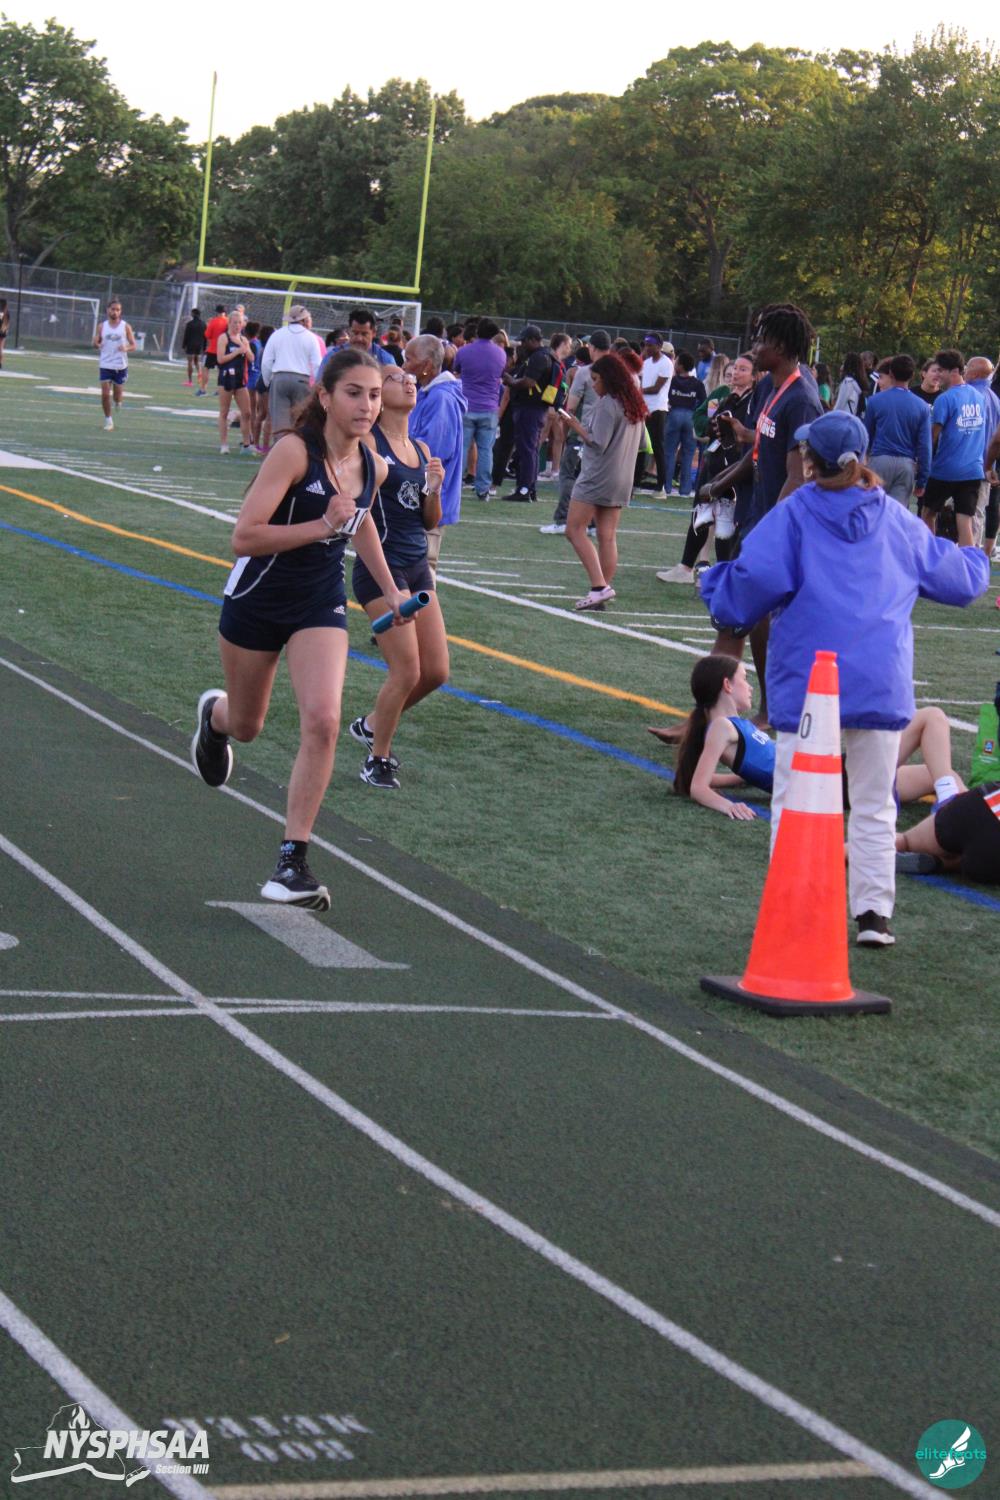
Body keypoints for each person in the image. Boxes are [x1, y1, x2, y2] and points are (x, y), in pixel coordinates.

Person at [700, 409, 989, 945]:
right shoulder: (895, 518)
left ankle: (793, 908)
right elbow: (960, 581)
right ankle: (874, 916)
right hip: (879, 679)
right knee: (877, 804)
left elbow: (746, 588)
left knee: (796, 800)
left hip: (810, 682)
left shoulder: (794, 514)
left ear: (810, 461)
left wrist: (712, 584)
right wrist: (977, 553)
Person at [189, 349, 410, 909]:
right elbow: (244, 537)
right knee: (247, 725)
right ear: (326, 396)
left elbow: (360, 523)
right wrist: (321, 526)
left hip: (319, 601)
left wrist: (391, 590)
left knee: (324, 721)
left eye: (374, 394)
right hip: (257, 598)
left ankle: (292, 862)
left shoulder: (373, 464)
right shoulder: (293, 451)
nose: (367, 405)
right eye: (354, 393)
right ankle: (215, 719)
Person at [694, 303, 824, 724]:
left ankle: (754, 711)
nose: (754, 347)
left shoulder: (802, 399)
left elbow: (797, 478)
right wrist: (721, 480)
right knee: (736, 618)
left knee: (746, 618)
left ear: (782, 346)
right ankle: (718, 712)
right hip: (760, 518)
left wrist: (768, 535)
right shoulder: (771, 387)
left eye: (762, 339)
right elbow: (760, 451)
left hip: (779, 528)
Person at [663, 654, 965, 820]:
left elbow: (709, 778)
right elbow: (699, 786)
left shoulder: (733, 726)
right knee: (932, 717)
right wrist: (728, 806)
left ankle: (962, 816)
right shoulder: (721, 727)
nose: (750, 686)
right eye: (744, 678)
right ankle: (952, 808)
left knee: (942, 775)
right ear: (727, 686)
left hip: (831, 779)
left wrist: (742, 779)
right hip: (830, 778)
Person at [349, 364, 449, 788]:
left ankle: (372, 724)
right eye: (394, 378)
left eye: (410, 378)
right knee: (406, 671)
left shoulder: (421, 449)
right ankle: (378, 758)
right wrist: (389, 585)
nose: (407, 381)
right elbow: (360, 516)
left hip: (417, 565)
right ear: (377, 394)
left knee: (436, 672)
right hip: (382, 569)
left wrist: (434, 487)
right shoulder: (369, 444)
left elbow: (429, 520)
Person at [558, 352, 647, 610]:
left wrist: (574, 424)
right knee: (607, 536)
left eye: (596, 380)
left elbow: (598, 442)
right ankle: (601, 590)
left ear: (609, 378)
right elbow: (642, 442)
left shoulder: (609, 403)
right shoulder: (635, 404)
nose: (594, 385)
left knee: (574, 529)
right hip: (622, 476)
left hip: (598, 475)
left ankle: (599, 587)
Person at [658, 353, 755, 582]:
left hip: (734, 467)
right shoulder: (725, 396)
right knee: (701, 514)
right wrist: (713, 426)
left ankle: (724, 574)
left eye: (742, 370)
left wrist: (733, 431)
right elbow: (702, 419)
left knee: (726, 523)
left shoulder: (754, 400)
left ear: (754, 376)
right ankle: (685, 567)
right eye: (734, 369)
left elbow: (748, 435)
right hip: (714, 463)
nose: (736, 374)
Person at [404, 333, 467, 575]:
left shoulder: (440, 398)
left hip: (430, 499)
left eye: (409, 359)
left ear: (427, 365)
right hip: (421, 496)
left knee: (422, 571)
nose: (404, 366)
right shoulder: (430, 394)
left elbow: (435, 451)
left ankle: (424, 602)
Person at [540, 332, 611, 535]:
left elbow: (570, 407)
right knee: (596, 480)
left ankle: (563, 519)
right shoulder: (622, 373)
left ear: (592, 348)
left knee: (568, 475)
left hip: (584, 433)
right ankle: (594, 524)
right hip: (610, 437)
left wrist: (565, 431)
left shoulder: (584, 372)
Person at [920, 349, 987, 548]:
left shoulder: (945, 399)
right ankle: (968, 564)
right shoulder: (979, 397)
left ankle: (931, 556)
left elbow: (932, 435)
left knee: (928, 513)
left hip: (946, 469)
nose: (938, 375)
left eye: (941, 371)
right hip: (973, 469)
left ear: (954, 371)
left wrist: (921, 461)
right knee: (964, 521)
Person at [863, 353, 932, 507]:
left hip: (879, 460)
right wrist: (922, 479)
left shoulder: (875, 401)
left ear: (891, 374)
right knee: (897, 513)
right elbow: (925, 446)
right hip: (906, 464)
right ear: (912, 375)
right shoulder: (922, 406)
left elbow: (866, 436)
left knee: (873, 508)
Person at [896, 784, 1000, 884]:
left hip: (986, 804)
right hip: (992, 853)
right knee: (982, 860)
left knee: (905, 841)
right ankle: (947, 864)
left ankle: (887, 850)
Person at [453, 316, 507, 501]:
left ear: (477, 331)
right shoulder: (500, 354)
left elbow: (457, 370)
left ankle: (455, 485)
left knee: (461, 447)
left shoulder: (464, 351)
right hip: (489, 407)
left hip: (466, 405)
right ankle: (483, 489)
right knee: (485, 450)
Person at [500, 326, 553, 502]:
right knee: (531, 449)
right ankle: (529, 488)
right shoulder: (543, 355)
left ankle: (524, 489)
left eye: (524, 341)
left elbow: (529, 382)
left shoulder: (538, 357)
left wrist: (512, 381)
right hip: (534, 408)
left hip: (530, 408)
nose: (522, 344)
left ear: (532, 340)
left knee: (527, 450)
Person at [260, 305, 322, 440]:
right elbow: (317, 364)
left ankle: (280, 448)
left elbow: (266, 362)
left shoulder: (277, 334)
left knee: (279, 423)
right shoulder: (311, 337)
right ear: (304, 320)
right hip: (302, 380)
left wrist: (268, 381)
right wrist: (316, 386)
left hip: (280, 379)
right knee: (300, 422)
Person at [662, 351, 706, 497]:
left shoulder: (673, 381)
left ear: (680, 366)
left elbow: (665, 397)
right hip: (691, 417)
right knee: (688, 454)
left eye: (676, 362)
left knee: (669, 452)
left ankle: (666, 486)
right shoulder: (698, 384)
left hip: (674, 414)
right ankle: (685, 490)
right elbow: (704, 402)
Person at [638, 333, 675, 498]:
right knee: (640, 447)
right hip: (644, 409)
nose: (647, 348)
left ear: (659, 346)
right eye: (646, 345)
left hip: (658, 409)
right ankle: (636, 482)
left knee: (657, 447)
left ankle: (661, 486)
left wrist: (639, 391)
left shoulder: (666, 363)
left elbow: (656, 388)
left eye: (650, 345)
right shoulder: (645, 363)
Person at [92, 298, 136, 431]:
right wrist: (97, 344)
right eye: (113, 309)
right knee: (105, 394)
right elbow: (95, 342)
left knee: (117, 395)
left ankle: (118, 401)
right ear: (108, 310)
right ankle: (108, 420)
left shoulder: (126, 326)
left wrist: (126, 348)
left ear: (120, 312)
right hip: (105, 364)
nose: (115, 312)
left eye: (118, 310)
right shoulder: (102, 326)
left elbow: (133, 345)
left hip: (120, 365)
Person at [215, 309, 254, 455]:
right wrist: (237, 351)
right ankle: (224, 444)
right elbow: (220, 359)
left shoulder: (243, 340)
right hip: (226, 378)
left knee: (247, 412)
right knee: (224, 412)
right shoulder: (223, 338)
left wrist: (245, 349)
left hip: (240, 380)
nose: (237, 325)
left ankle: (246, 444)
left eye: (239, 323)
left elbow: (251, 358)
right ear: (229, 323)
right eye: (235, 322)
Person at [538, 333, 572, 480]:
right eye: (568, 345)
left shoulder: (559, 362)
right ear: (562, 344)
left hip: (558, 406)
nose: (570, 348)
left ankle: (555, 470)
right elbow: (551, 385)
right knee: (541, 436)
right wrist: (551, 406)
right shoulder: (552, 360)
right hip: (550, 406)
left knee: (559, 437)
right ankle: (529, 467)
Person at [199, 305, 228, 395]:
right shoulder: (228, 321)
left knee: (206, 368)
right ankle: (220, 390)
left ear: (217, 312)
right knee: (221, 370)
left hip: (212, 350)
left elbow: (207, 335)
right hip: (224, 350)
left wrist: (209, 325)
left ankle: (203, 390)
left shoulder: (214, 321)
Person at [834, 352, 867, 416]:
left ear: (848, 365)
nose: (841, 366)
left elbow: (839, 405)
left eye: (843, 363)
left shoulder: (847, 382)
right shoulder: (858, 383)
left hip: (843, 418)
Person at [181, 306, 205, 385]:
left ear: (193, 314)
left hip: (191, 345)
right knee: (197, 362)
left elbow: (186, 336)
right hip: (199, 345)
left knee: (190, 362)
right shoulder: (203, 324)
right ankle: (200, 375)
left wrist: (184, 345)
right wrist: (204, 347)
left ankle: (190, 381)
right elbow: (205, 337)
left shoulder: (190, 324)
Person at [0, 298, 9, 368]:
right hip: (3, 332)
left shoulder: (2, 313)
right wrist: (5, 330)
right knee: (1, 348)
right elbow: (7, 324)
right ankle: (0, 363)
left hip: (1, 332)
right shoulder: (7, 313)